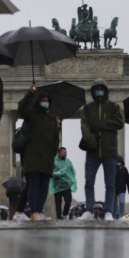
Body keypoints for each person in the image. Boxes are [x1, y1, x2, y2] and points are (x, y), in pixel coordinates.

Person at [78, 78, 125, 221]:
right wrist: (91, 141)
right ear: (93, 92)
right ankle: (89, 210)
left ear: (105, 91)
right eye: (96, 89)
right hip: (92, 151)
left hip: (110, 151)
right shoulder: (87, 108)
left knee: (110, 184)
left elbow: (119, 122)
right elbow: (84, 126)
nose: (99, 91)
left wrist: (100, 124)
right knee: (88, 182)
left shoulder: (113, 107)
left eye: (101, 89)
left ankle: (109, 211)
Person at [18, 84, 61, 220]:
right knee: (34, 183)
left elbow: (55, 140)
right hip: (33, 155)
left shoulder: (52, 120)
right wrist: (30, 94)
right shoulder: (31, 116)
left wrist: (53, 153)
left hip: (47, 158)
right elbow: (22, 110)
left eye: (48, 101)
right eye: (43, 100)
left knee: (44, 185)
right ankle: (34, 211)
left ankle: (40, 212)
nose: (45, 102)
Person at [50, 147, 77, 220]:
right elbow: (50, 171)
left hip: (66, 185)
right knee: (58, 203)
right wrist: (56, 174)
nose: (66, 153)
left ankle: (65, 213)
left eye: (66, 152)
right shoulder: (54, 161)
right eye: (64, 152)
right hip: (57, 186)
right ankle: (59, 217)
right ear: (59, 153)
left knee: (68, 201)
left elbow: (73, 171)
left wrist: (73, 179)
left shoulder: (68, 161)